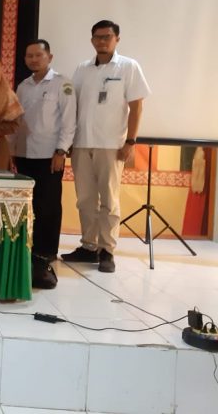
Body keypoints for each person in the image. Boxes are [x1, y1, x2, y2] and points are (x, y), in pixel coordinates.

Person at [62, 20, 150, 273]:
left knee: (109, 201)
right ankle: (89, 246)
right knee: (85, 200)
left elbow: (137, 106)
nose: (102, 41)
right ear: (92, 40)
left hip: (111, 145)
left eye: (107, 37)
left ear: (116, 39)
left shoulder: (128, 66)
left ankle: (107, 250)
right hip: (81, 144)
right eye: (97, 37)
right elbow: (73, 105)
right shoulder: (82, 69)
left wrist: (131, 141)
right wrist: (69, 141)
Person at [11, 40, 77, 289]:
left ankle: (47, 252)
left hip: (50, 155)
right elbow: (16, 122)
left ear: (49, 57)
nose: (33, 59)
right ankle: (29, 249)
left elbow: (69, 121)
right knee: (28, 206)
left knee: (48, 205)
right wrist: (11, 151)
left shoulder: (62, 83)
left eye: (38, 55)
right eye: (29, 56)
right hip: (24, 153)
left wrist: (61, 150)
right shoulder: (23, 86)